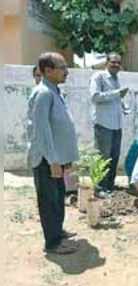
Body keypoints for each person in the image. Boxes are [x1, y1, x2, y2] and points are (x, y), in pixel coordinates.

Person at [27, 52, 79, 255]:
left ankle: (57, 232)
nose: (66, 71)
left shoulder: (54, 91)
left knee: (58, 198)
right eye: (62, 67)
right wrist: (53, 160)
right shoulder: (44, 94)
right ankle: (52, 243)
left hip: (56, 158)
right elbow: (42, 130)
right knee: (49, 201)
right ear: (48, 71)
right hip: (47, 159)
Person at [89, 52, 130, 198]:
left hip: (117, 124)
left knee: (114, 156)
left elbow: (116, 99)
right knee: (102, 157)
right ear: (106, 62)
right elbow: (95, 97)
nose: (116, 65)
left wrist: (124, 106)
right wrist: (117, 94)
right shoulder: (98, 77)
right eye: (113, 62)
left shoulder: (116, 79)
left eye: (118, 63)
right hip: (103, 124)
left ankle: (109, 186)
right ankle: (99, 188)